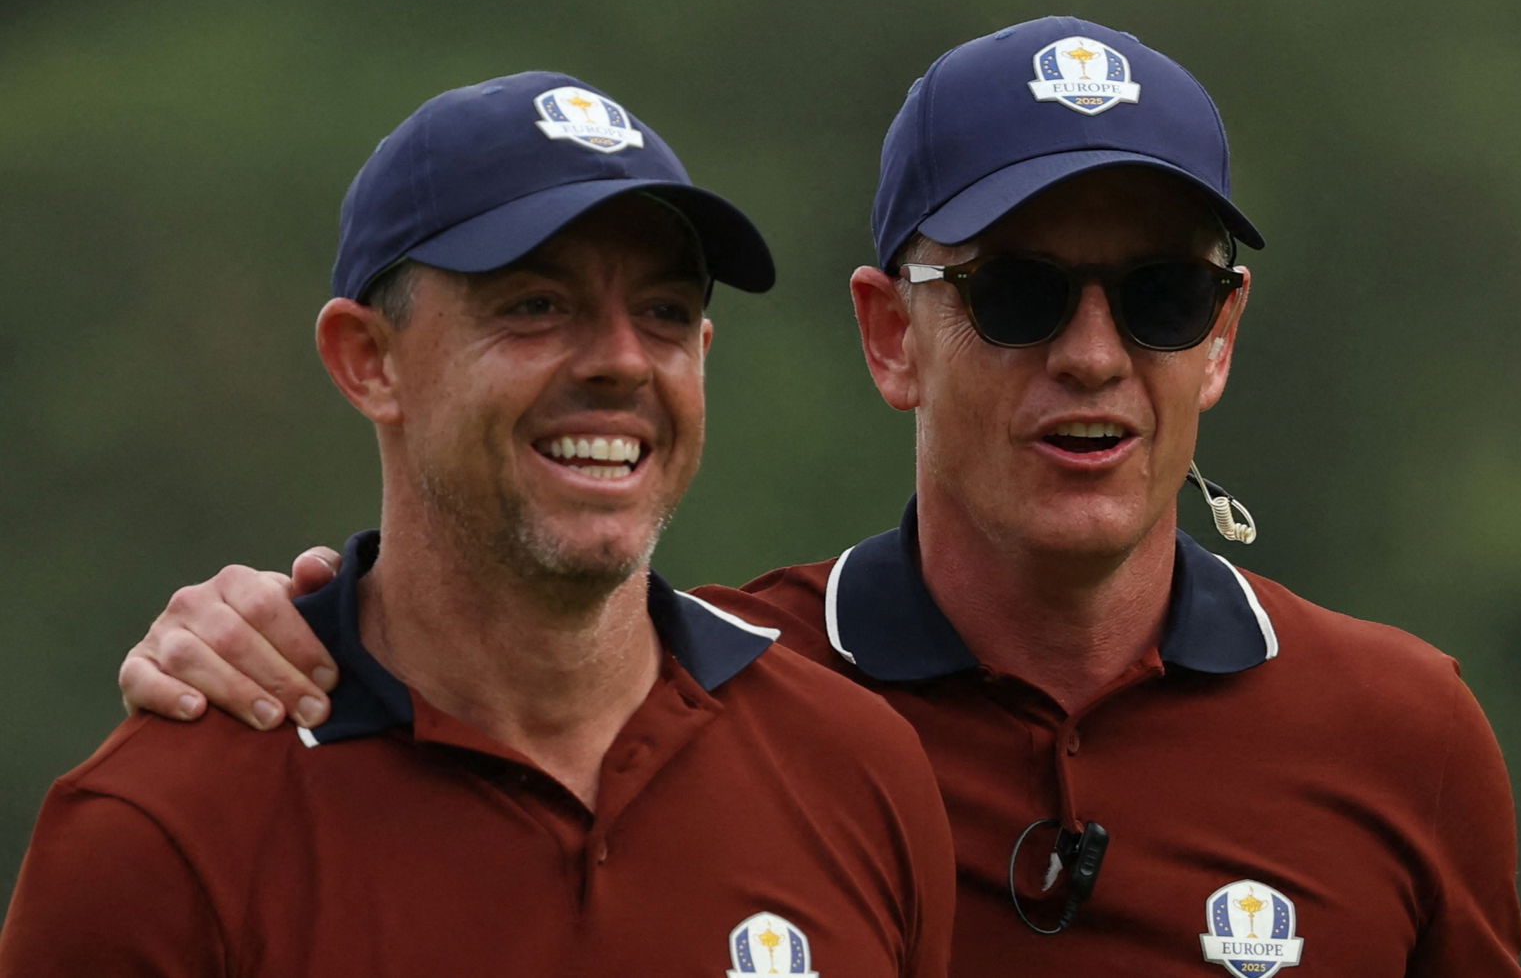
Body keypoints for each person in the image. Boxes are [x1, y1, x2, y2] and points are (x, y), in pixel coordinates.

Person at [111, 18, 1521, 975]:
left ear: (1221, 334)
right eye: (1018, 292)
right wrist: (287, 630)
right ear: (892, 332)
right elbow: (480, 659)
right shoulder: (734, 714)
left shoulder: (1403, 734)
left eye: (1161, 296)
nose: (1094, 353)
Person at [0, 72, 957, 977]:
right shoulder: (157, 834)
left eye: (664, 311)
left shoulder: (854, 767)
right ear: (368, 360)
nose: (623, 361)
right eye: (537, 305)